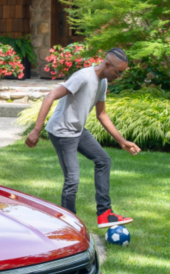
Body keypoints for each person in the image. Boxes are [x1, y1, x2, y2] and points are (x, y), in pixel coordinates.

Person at [25, 47, 140, 227]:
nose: (120, 76)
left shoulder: (102, 82)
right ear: (107, 64)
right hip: (62, 132)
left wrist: (122, 141)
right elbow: (51, 96)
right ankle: (69, 225)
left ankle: (104, 213)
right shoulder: (83, 77)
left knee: (103, 160)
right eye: (118, 72)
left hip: (77, 130)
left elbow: (102, 115)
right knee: (73, 180)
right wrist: (36, 129)